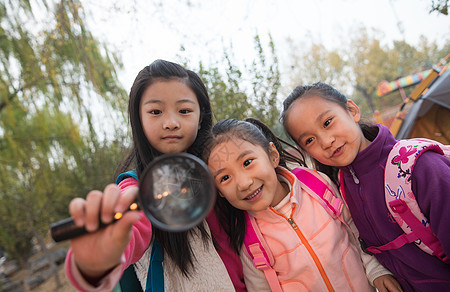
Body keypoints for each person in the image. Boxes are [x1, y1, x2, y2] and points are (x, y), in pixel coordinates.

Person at [64, 60, 245, 291]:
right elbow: (129, 235)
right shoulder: (136, 189)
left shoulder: (222, 170)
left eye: (184, 110)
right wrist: (98, 260)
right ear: (139, 119)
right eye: (156, 112)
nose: (171, 123)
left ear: (201, 117)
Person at [281, 82, 450, 291]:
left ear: (352, 110)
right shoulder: (343, 187)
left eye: (327, 122)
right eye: (309, 140)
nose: (325, 141)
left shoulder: (419, 167)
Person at [203, 117, 401, 291]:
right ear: (219, 190)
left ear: (272, 155)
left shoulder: (315, 185)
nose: (244, 183)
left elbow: (355, 230)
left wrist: (376, 271)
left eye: (247, 162)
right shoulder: (250, 239)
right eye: (225, 177)